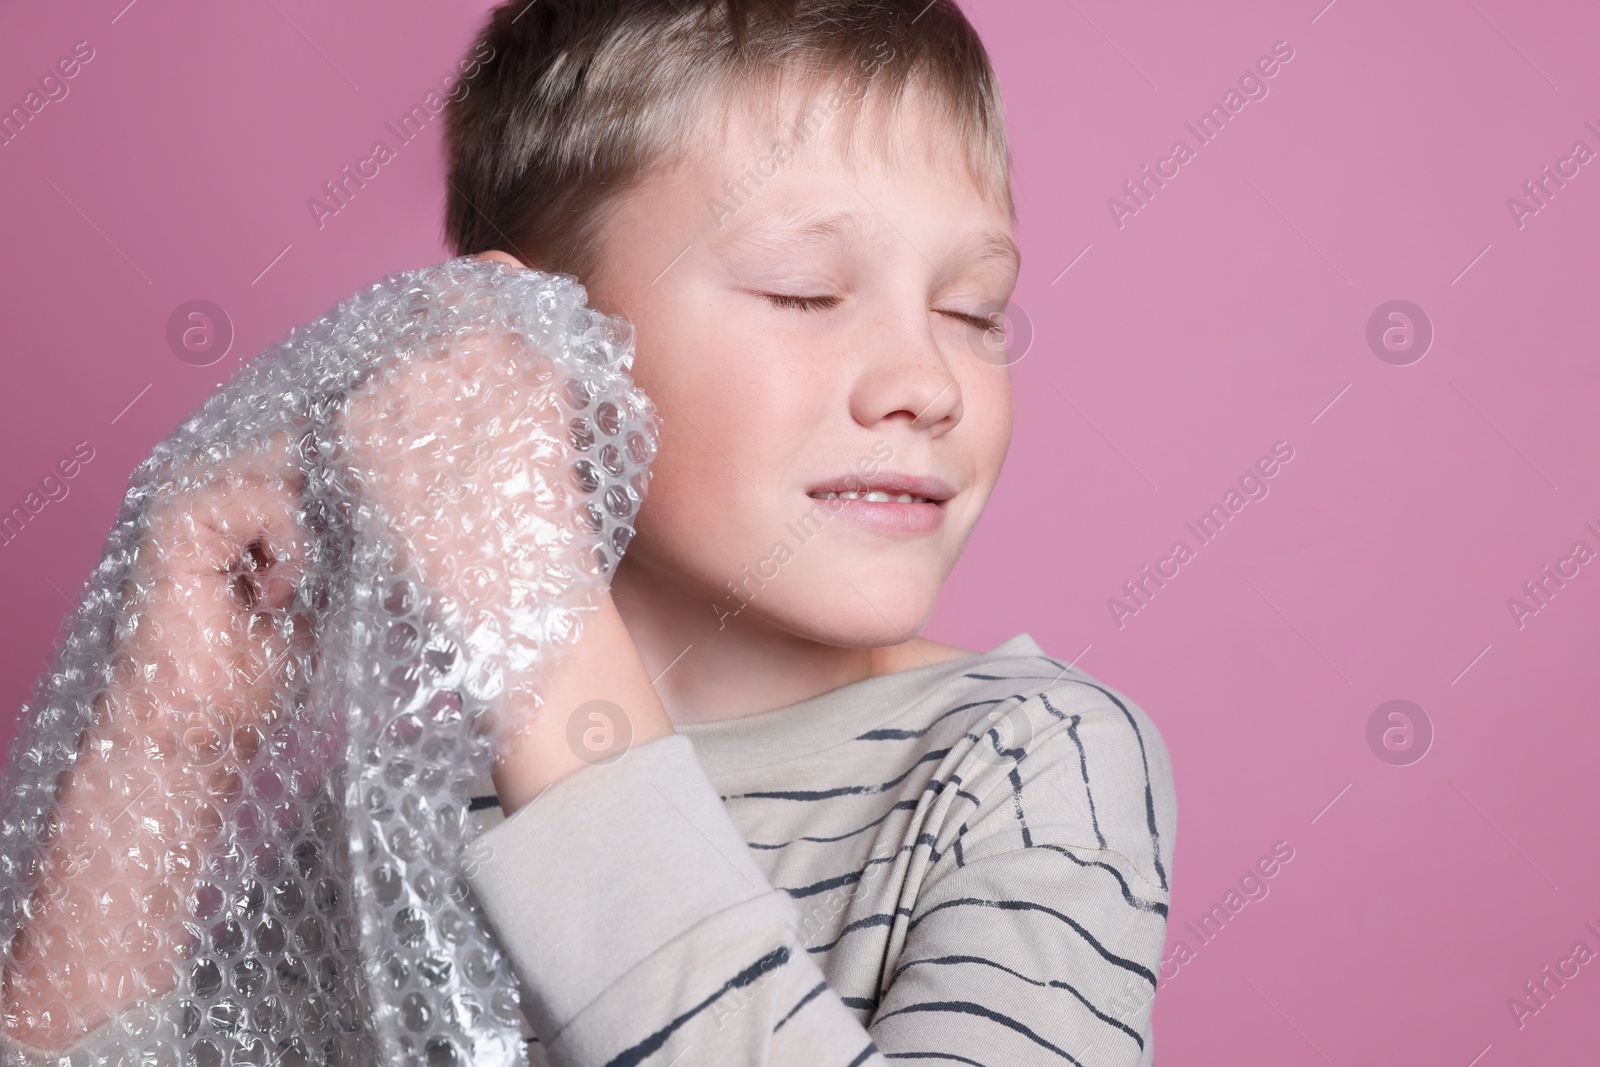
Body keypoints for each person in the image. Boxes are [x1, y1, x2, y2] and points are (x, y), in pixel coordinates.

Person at [3, 1, 1176, 1064]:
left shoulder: (1027, 763)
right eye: (807, 291)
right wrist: (169, 741)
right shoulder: (416, 806)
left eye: (974, 312)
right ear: (533, 339)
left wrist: (540, 633)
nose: (929, 380)